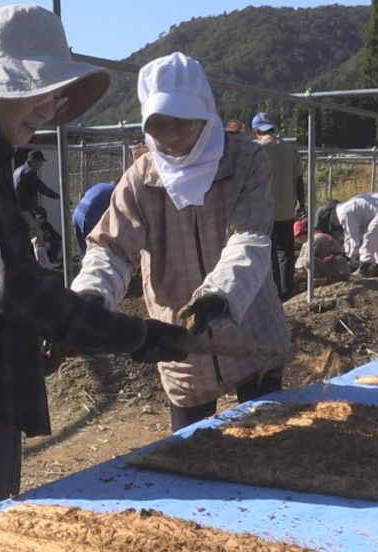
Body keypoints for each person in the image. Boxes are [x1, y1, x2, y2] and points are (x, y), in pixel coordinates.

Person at [0, 4, 189, 532]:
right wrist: (137, 335)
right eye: (39, 91)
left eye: (54, 93)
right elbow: (16, 288)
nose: (49, 107)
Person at [71, 52, 291, 433]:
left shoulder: (245, 161)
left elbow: (250, 238)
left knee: (267, 442)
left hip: (250, 330)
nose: (172, 139)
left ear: (205, 117)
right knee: (192, 453)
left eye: (184, 125)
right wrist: (91, 295)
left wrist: (218, 295)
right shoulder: (141, 179)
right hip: (180, 340)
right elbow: (111, 247)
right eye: (160, 128)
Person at [252, 112, 304, 299]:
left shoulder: (256, 149)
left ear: (257, 130)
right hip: (286, 210)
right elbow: (299, 179)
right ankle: (286, 291)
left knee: (268, 253)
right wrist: (302, 203)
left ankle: (273, 293)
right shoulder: (290, 149)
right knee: (286, 252)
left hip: (264, 211)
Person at [13, 149, 60, 268]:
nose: (41, 165)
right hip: (23, 209)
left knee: (25, 237)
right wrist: (59, 196)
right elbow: (42, 188)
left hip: (17, 208)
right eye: (40, 162)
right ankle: (44, 264)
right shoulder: (28, 172)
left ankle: (24, 264)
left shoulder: (18, 170)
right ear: (34, 162)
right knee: (38, 234)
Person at [336, 192, 378, 277]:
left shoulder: (343, 213)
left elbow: (353, 239)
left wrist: (350, 258)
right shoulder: (345, 207)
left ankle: (363, 270)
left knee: (370, 237)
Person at [294, 198, 349, 288]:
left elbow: (304, 261)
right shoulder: (310, 241)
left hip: (340, 273)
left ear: (306, 232)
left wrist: (296, 274)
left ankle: (318, 283)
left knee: (309, 261)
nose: (299, 239)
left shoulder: (316, 239)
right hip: (336, 270)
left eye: (299, 236)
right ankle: (319, 281)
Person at [71, 181, 115, 254]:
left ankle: (84, 260)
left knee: (84, 249)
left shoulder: (100, 185)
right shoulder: (116, 191)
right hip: (89, 216)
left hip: (77, 214)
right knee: (93, 249)